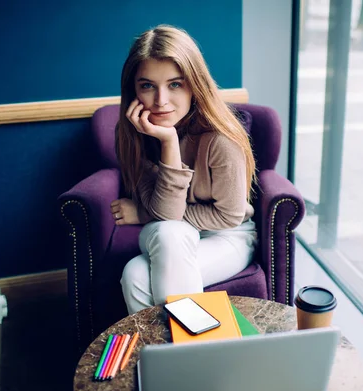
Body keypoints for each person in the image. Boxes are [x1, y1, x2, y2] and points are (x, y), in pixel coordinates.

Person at [111, 25, 258, 314]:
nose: (160, 100)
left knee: (135, 275)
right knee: (170, 233)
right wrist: (167, 141)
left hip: (228, 235)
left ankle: (159, 357)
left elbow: (229, 215)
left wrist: (142, 212)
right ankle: (192, 354)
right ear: (134, 89)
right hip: (165, 231)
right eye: (147, 85)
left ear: (195, 84)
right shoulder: (133, 133)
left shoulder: (219, 139)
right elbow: (167, 217)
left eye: (175, 84)